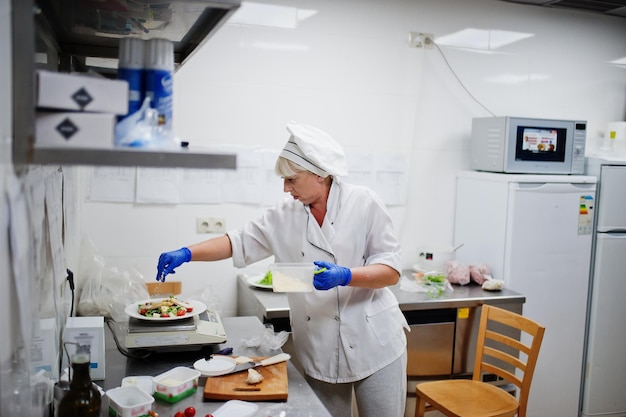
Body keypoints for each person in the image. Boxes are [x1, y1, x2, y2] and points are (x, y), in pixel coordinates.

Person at [156, 122, 409, 417]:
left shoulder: (363, 203)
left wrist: (346, 275)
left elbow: (391, 270)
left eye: (292, 179)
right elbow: (237, 242)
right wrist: (188, 253)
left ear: (320, 173)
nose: (286, 188)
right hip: (319, 345)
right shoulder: (284, 215)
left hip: (374, 342)